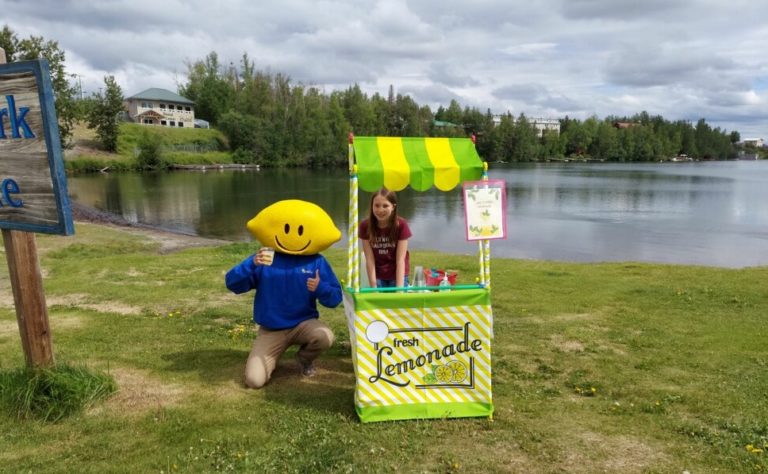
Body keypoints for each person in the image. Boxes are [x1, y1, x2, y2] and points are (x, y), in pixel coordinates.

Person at [225, 199, 342, 389]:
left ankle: (305, 359)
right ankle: (272, 356)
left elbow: (335, 299)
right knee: (254, 381)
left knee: (325, 337)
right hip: (272, 329)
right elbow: (232, 284)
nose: (294, 235)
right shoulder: (264, 257)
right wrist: (251, 264)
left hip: (304, 324)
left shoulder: (317, 262)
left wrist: (321, 288)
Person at [359, 187, 412, 289]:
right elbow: (369, 259)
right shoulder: (365, 226)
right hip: (377, 274)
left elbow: (400, 260)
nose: (380, 210)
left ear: (393, 207)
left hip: (398, 274)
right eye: (377, 205)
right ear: (372, 206)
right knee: (377, 303)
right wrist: (374, 288)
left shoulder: (401, 225)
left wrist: (399, 289)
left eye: (385, 206)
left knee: (396, 304)